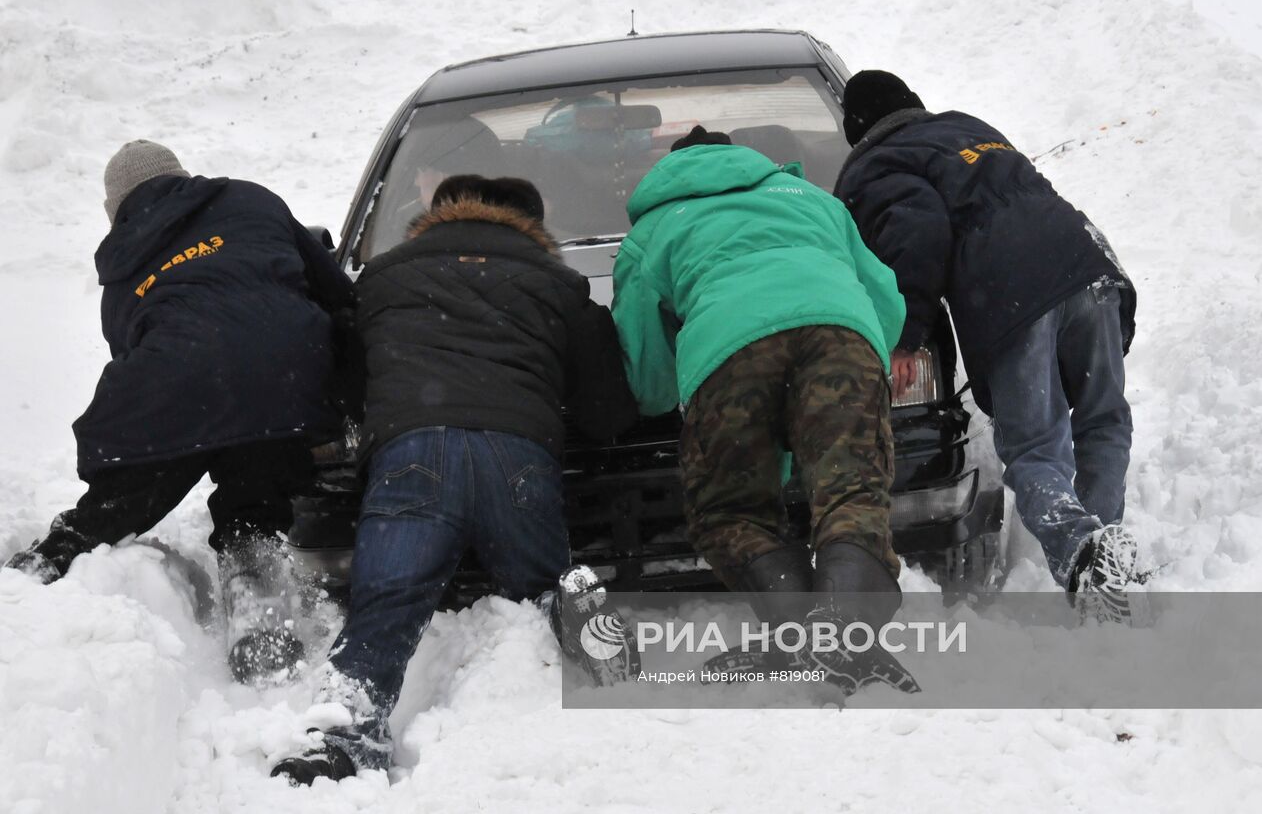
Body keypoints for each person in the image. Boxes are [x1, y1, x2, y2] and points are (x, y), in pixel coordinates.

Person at [273, 175, 639, 785]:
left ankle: (339, 739)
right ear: (532, 224)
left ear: (437, 215)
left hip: (412, 455)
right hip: (518, 455)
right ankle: (596, 640)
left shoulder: (382, 277)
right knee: (539, 585)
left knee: (385, 604)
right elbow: (608, 410)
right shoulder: (558, 283)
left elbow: (349, 384)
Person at [4, 140, 355, 680]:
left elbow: (129, 351)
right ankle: (259, 605)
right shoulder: (252, 199)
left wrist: (160, 445)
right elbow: (337, 292)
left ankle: (34, 574)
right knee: (256, 491)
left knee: (116, 508)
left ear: (116, 208)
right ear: (183, 176)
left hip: (174, 385)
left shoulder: (123, 262)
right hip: (284, 370)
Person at [612, 126, 917, 692]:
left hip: (728, 350)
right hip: (841, 333)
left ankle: (802, 631)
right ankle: (843, 625)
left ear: (668, 173)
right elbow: (886, 303)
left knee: (731, 510)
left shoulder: (653, 230)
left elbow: (648, 375)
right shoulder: (814, 201)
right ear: (742, 158)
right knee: (851, 490)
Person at [834, 71, 1140, 622]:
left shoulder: (875, 165)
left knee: (1034, 449)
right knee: (1103, 419)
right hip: (1088, 267)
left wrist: (905, 337)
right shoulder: (968, 128)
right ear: (913, 103)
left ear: (855, 128)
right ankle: (1106, 551)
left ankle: (1085, 553)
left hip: (1012, 294)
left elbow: (916, 235)